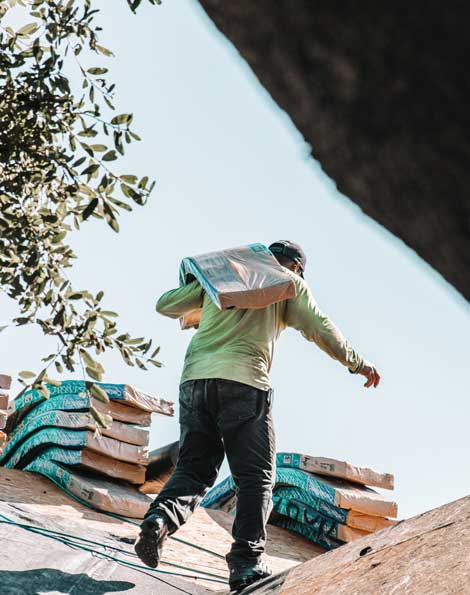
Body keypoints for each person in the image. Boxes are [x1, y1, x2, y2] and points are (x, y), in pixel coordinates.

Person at [134, 240, 380, 592]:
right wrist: (358, 363)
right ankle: (246, 564)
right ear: (295, 267)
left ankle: (159, 520)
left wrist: (201, 283)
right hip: (244, 384)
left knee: (194, 468)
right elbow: (320, 327)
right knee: (257, 478)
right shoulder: (290, 284)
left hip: (195, 382)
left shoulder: (225, 278)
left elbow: (165, 305)